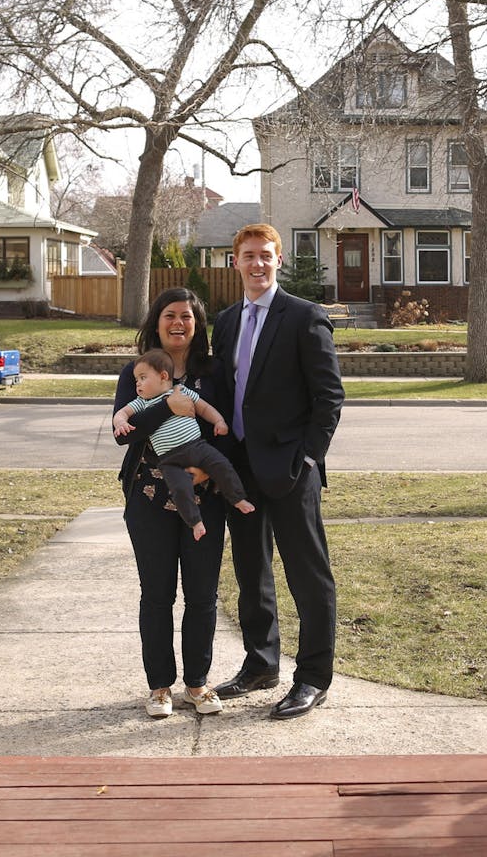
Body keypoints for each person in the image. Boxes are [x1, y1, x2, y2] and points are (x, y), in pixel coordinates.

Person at [212, 223, 345, 720]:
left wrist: (308, 458)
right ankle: (261, 663)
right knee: (252, 571)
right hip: (241, 471)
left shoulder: (305, 317)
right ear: (236, 262)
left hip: (292, 470)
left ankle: (312, 677)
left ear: (279, 260)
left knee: (308, 576)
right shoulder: (226, 322)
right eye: (248, 255)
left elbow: (329, 398)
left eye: (266, 255)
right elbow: (223, 391)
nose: (257, 264)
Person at [112, 288, 230, 719]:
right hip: (148, 498)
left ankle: (197, 684)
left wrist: (210, 471)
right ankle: (159, 687)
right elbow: (124, 430)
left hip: (205, 500)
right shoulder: (137, 370)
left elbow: (227, 427)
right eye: (169, 315)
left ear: (197, 324)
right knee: (157, 596)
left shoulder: (212, 372)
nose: (178, 323)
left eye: (187, 315)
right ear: (156, 321)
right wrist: (170, 406)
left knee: (202, 595)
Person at [113, 347, 256, 539]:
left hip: (197, 447)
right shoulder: (142, 402)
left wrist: (219, 421)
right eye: (137, 379)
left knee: (222, 465)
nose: (137, 383)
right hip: (169, 460)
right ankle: (195, 522)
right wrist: (121, 422)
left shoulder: (180, 391)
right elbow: (122, 413)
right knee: (180, 489)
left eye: (142, 378)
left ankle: (238, 498)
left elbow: (204, 408)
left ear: (163, 375)